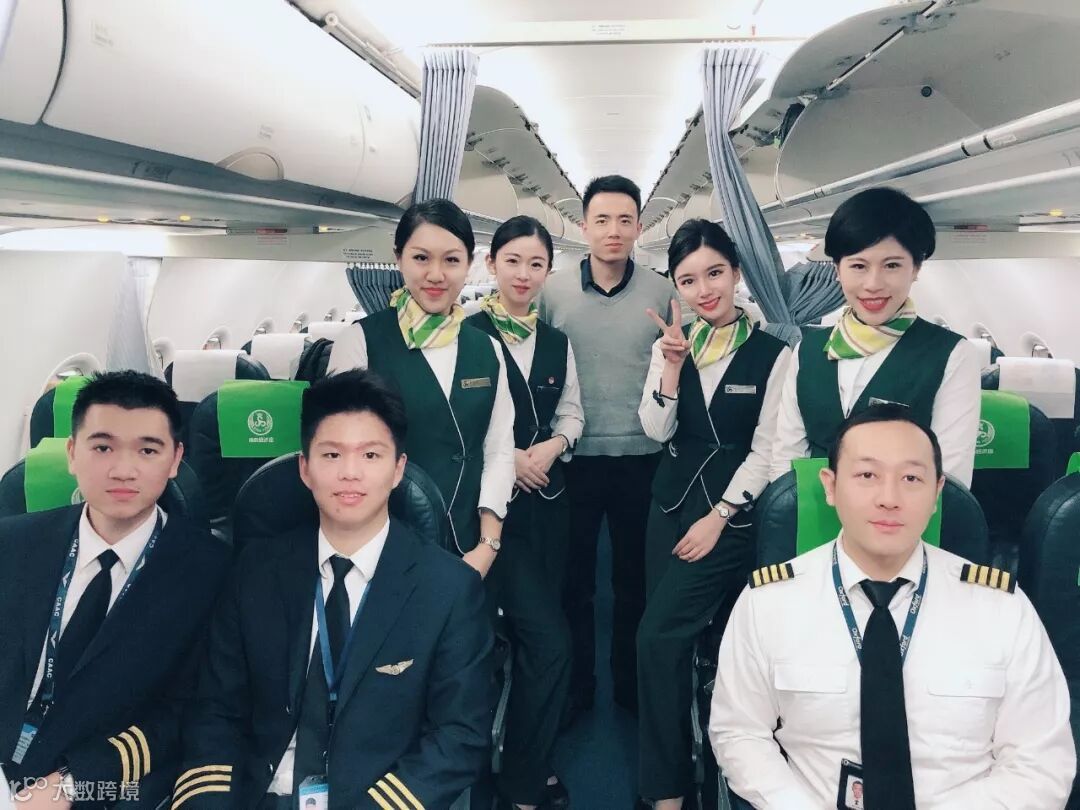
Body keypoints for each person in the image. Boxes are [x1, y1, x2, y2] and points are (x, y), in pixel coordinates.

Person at [711, 405, 1076, 809]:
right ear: (830, 486)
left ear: (936, 493)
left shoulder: (1001, 609)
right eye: (867, 475)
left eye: (911, 478)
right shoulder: (769, 603)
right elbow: (740, 733)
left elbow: (1041, 762)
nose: (889, 499)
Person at [176, 370, 494, 809]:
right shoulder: (254, 571)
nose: (350, 473)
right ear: (305, 469)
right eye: (331, 454)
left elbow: (459, 736)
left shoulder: (448, 588)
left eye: (371, 455)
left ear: (398, 469)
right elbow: (215, 708)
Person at [0, 371, 229, 808]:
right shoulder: (11, 545)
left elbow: (186, 710)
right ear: (72, 453)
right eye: (102, 447)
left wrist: (71, 784)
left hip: (99, 783)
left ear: (176, 459)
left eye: (148, 450)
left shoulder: (211, 573)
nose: (123, 470)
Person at [635, 219, 790, 809]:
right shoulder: (671, 345)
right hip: (669, 508)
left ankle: (677, 789)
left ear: (737, 274)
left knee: (661, 639)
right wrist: (671, 368)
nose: (704, 290)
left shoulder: (776, 355)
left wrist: (720, 514)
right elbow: (655, 430)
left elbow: (769, 452)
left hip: (732, 518)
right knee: (664, 646)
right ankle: (674, 772)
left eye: (715, 273)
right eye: (688, 280)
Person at [540, 174, 673, 719]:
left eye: (624, 220)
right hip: (572, 459)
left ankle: (629, 687)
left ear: (639, 227)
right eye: (602, 220)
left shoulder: (663, 291)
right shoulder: (552, 292)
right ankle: (576, 690)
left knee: (633, 583)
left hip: (642, 459)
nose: (613, 231)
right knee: (573, 584)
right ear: (583, 226)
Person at [329, 199, 516, 578]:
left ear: (469, 264)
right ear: (398, 258)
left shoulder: (487, 348)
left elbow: (499, 449)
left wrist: (487, 546)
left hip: (471, 543)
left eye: (451, 260)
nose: (436, 274)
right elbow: (341, 457)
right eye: (420, 258)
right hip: (385, 546)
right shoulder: (360, 343)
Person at [465, 215, 582, 809]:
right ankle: (513, 778)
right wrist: (510, 458)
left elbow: (573, 414)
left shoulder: (556, 341)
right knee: (543, 642)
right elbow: (457, 425)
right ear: (491, 264)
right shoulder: (466, 332)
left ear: (547, 272)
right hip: (485, 513)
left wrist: (553, 447)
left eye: (536, 264)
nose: (524, 274)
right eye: (512, 260)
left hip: (546, 510)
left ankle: (526, 759)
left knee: (540, 640)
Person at [770, 186, 981, 486]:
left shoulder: (952, 355)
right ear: (837, 270)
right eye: (858, 266)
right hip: (809, 508)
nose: (873, 284)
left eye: (892, 265)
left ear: (916, 268)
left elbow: (949, 476)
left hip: (902, 512)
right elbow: (786, 456)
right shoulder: (808, 349)